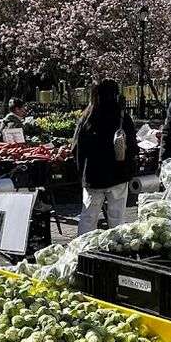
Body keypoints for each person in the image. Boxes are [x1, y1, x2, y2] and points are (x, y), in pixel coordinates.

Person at [73, 80, 138, 235]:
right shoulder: (122, 117)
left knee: (88, 217)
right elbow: (133, 147)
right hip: (118, 174)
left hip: (93, 176)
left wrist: (81, 173)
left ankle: (83, 250)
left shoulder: (87, 118)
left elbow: (76, 148)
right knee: (117, 218)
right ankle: (117, 249)